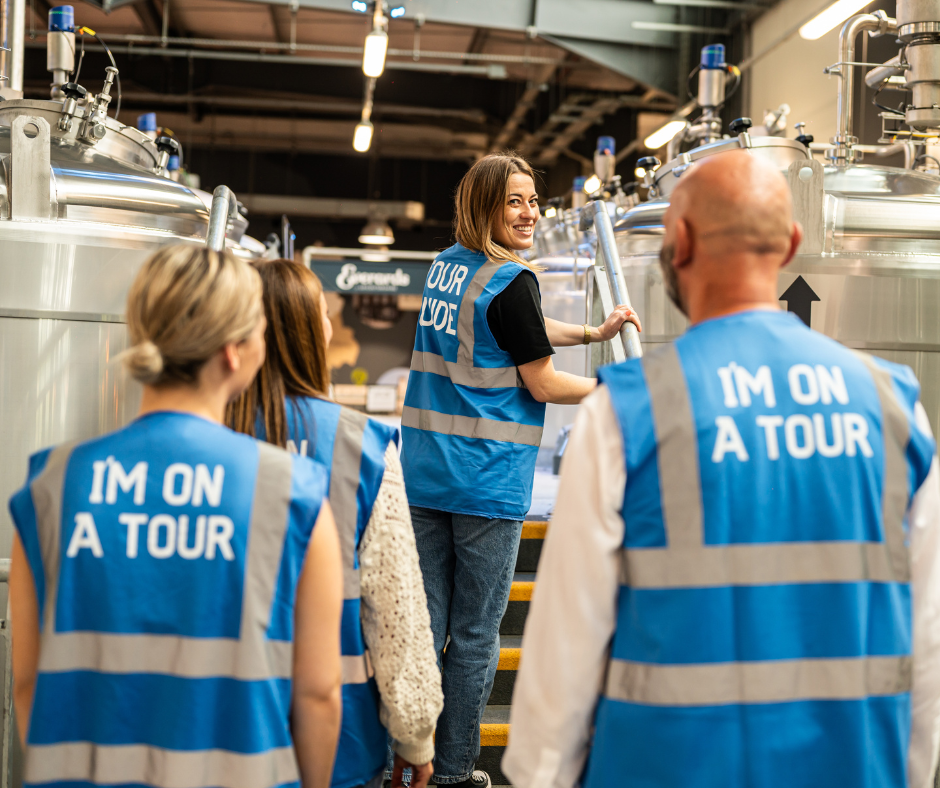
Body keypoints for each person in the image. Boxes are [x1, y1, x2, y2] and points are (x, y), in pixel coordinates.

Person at [503, 151, 940, 788]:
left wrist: (541, 775)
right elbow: (926, 640)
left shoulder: (629, 409)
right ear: (790, 243)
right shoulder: (895, 405)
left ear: (676, 244)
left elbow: (564, 656)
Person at [8, 246, 345, 788]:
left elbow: (27, 683)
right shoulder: (290, 491)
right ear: (235, 351)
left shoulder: (51, 484)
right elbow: (318, 694)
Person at [400, 152, 642, 788]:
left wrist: (593, 333)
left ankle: (407, 764)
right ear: (485, 206)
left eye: (533, 200)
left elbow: (519, 329)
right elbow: (541, 383)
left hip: (424, 473)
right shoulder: (512, 280)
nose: (530, 212)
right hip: (485, 480)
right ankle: (452, 774)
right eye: (514, 201)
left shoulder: (448, 268)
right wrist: (619, 390)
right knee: (476, 638)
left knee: (423, 633)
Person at [227, 259, 443, 788]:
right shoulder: (359, 445)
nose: (329, 324)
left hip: (221, 727)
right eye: (324, 312)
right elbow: (395, 608)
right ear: (307, 329)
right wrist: (414, 735)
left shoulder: (215, 429)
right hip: (341, 740)